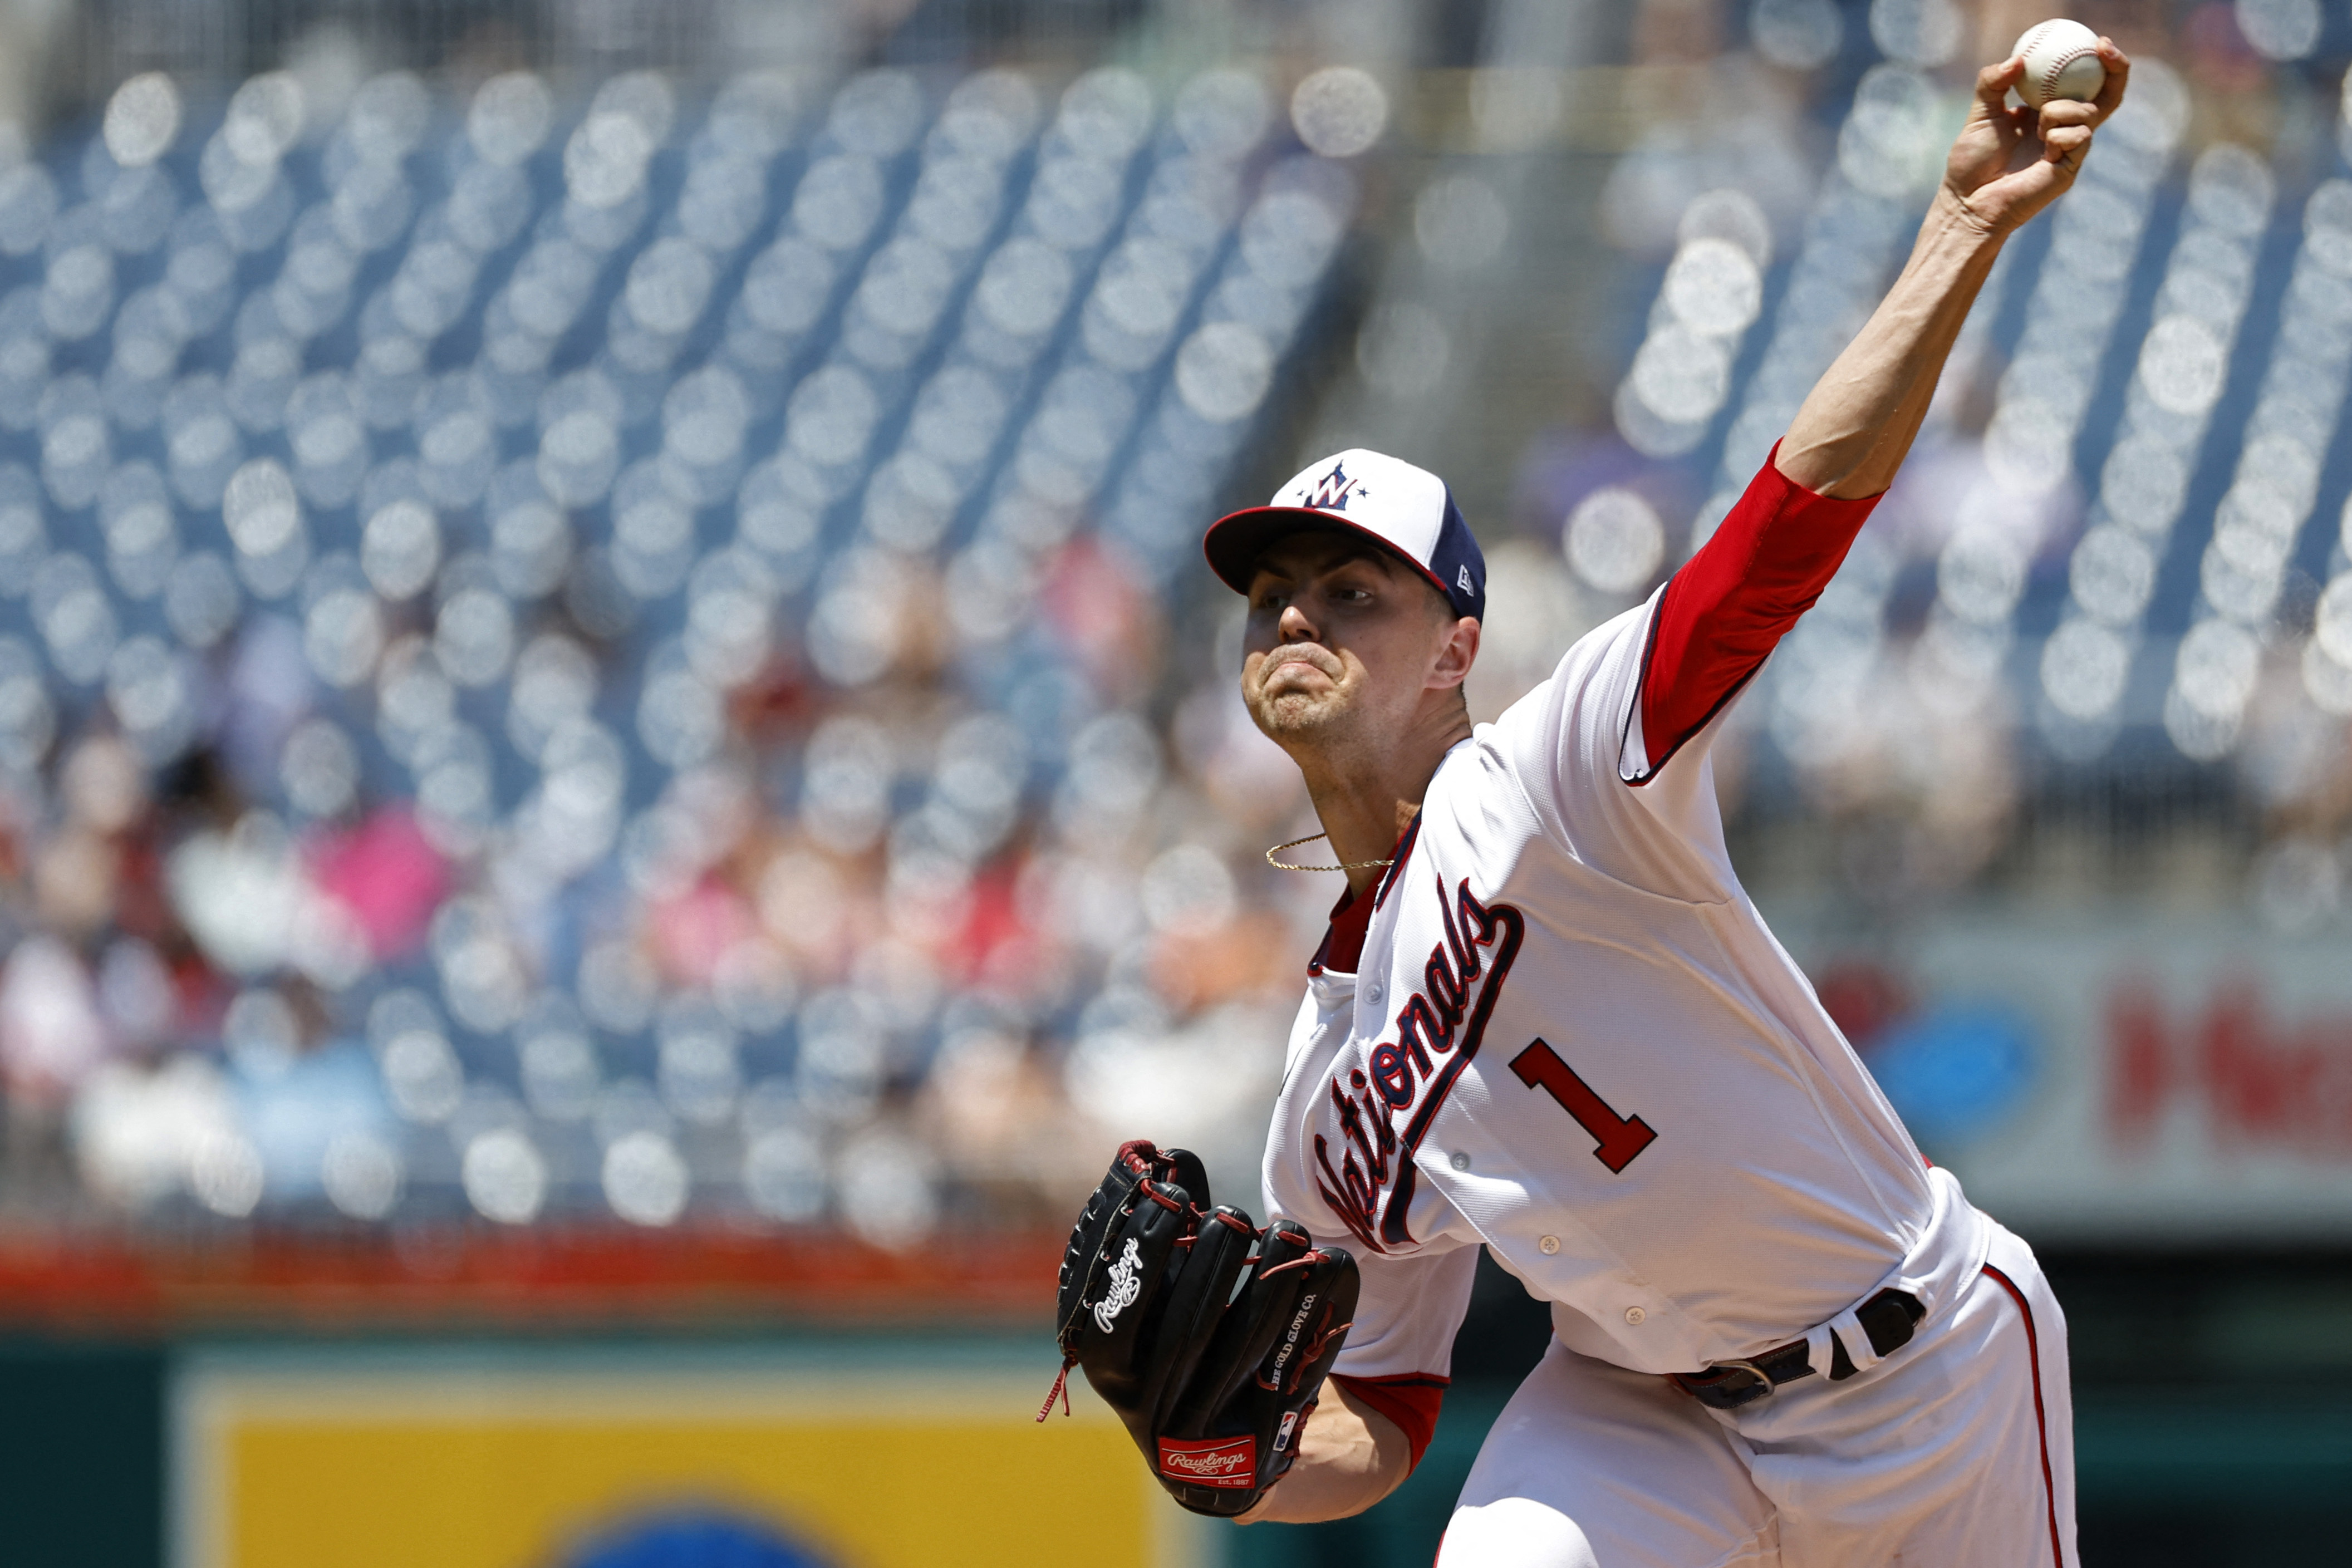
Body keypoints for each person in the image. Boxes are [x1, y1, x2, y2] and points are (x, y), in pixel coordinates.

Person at [1197, 43, 2130, 1566]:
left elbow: (1775, 540)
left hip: (1919, 1362)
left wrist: (1956, 235)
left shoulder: (1552, 773)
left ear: (1454, 651)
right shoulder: (1324, 1074)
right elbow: (1378, 1408)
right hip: (1634, 1411)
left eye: (1347, 591)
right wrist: (1215, 1451)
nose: (1294, 619)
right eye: (1270, 600)